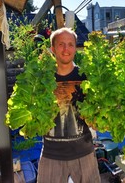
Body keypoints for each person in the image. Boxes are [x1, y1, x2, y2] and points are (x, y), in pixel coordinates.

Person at [37, 27, 101, 183]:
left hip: (84, 154)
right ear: (52, 48)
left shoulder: (87, 76)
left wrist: (99, 118)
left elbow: (99, 113)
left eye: (70, 44)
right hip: (51, 155)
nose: (66, 49)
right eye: (61, 44)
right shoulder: (40, 80)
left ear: (75, 48)